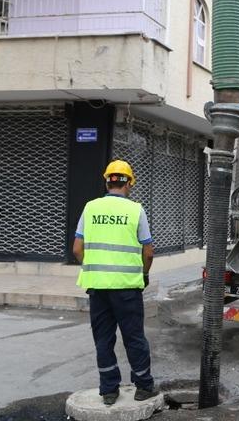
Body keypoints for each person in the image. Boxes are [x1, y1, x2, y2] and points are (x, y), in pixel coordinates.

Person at [72, 160, 158, 405]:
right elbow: (148, 252)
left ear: (107, 181)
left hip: (98, 287)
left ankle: (109, 391)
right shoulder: (136, 210)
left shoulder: (90, 208)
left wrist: (94, 268)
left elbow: (77, 249)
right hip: (128, 287)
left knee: (103, 339)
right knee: (134, 337)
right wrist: (144, 275)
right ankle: (143, 386)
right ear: (129, 183)